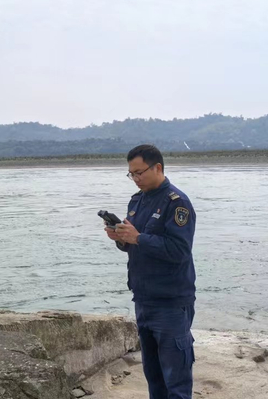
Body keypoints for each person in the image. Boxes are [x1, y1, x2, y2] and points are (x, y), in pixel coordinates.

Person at [104, 144, 196, 399]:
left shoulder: (177, 203)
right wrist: (121, 238)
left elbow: (179, 250)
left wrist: (138, 238)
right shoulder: (137, 201)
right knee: (154, 377)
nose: (135, 179)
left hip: (171, 302)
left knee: (176, 381)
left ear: (157, 167)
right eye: (131, 174)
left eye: (139, 173)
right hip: (143, 299)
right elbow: (135, 245)